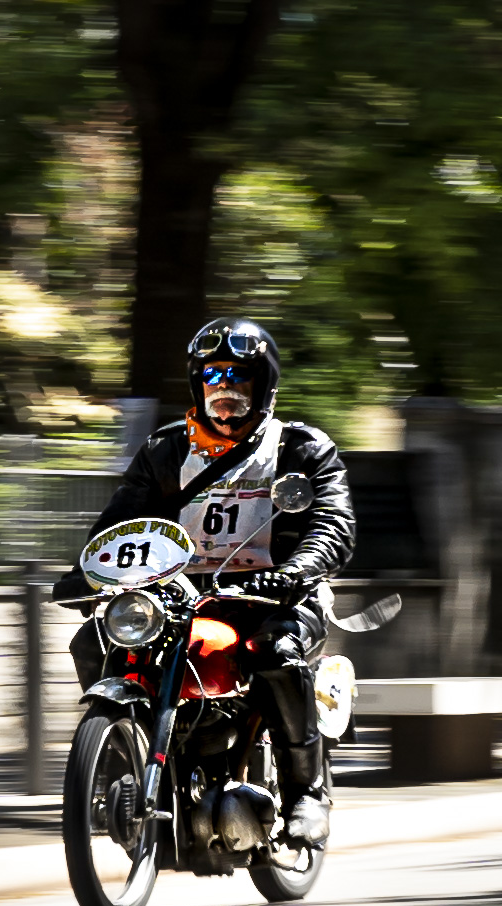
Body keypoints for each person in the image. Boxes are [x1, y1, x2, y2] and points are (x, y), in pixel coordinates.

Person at [51, 317, 355, 844]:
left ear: (264, 387)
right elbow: (117, 525)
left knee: (275, 651)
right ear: (198, 385)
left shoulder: (301, 448)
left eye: (240, 379)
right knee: (96, 639)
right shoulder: (166, 452)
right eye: (214, 378)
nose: (226, 391)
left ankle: (307, 793)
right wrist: (87, 574)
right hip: (175, 594)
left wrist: (293, 573)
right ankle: (121, 766)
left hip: (272, 594)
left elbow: (332, 526)